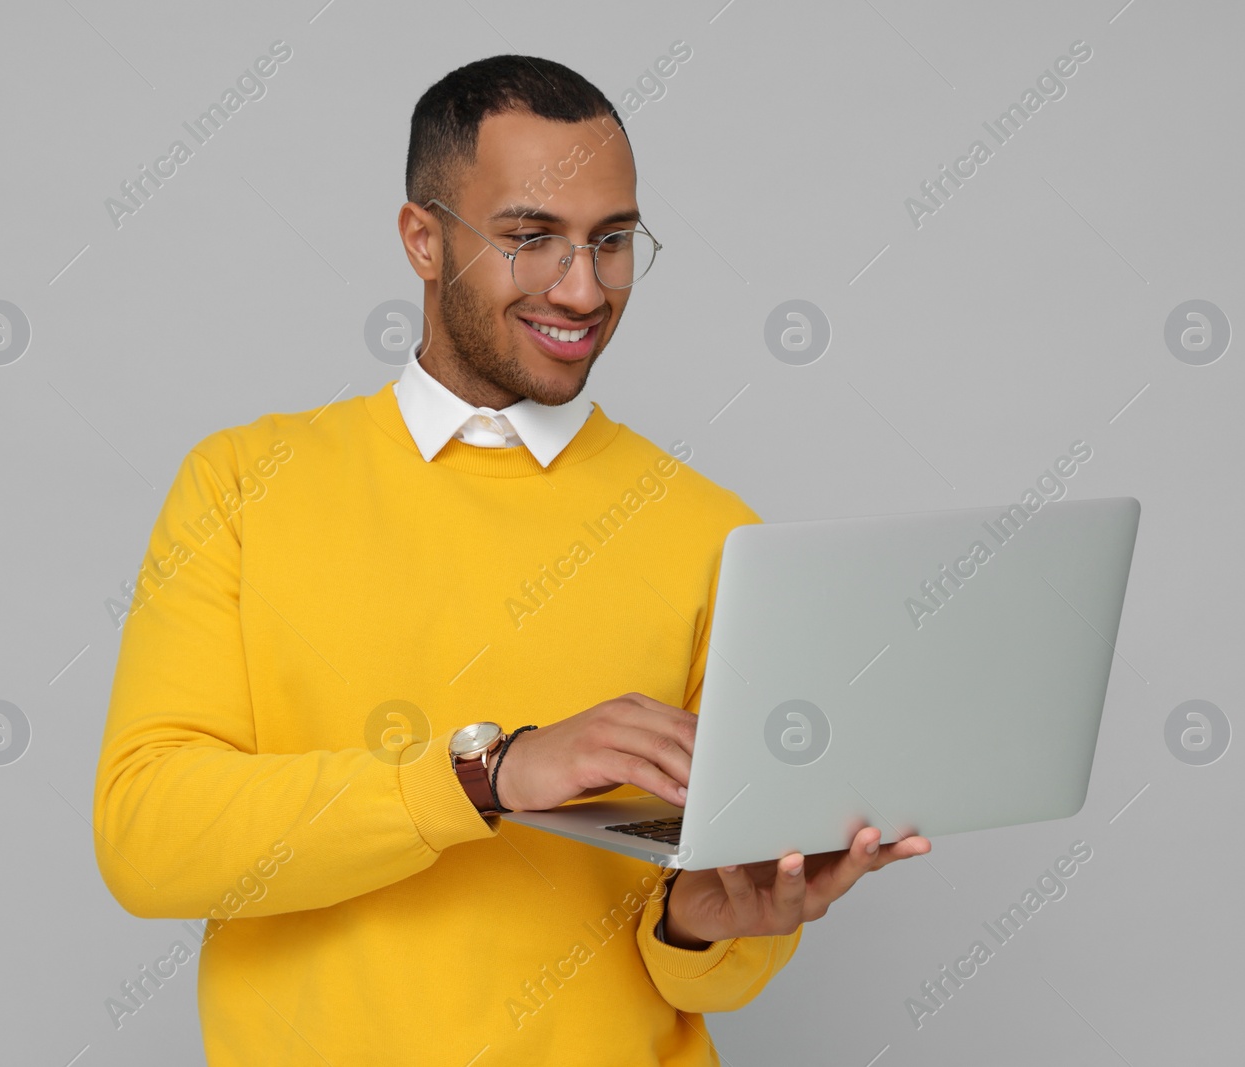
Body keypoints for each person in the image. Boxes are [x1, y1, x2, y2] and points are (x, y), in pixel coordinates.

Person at [92, 53, 930, 1066]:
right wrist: (487, 775)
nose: (581, 289)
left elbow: (691, 973)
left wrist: (705, 921)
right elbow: (147, 837)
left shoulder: (716, 534)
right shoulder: (243, 482)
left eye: (611, 241)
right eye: (531, 238)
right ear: (422, 237)